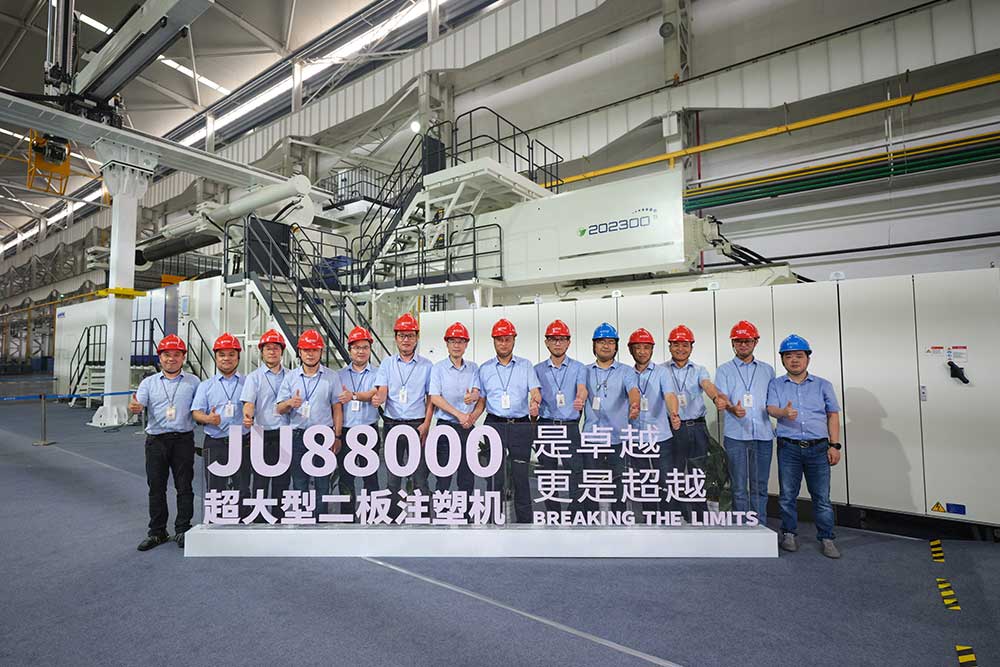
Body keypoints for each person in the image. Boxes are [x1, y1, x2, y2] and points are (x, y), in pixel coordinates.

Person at [767, 334, 843, 559]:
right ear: (782, 360)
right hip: (788, 447)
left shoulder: (823, 385)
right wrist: (783, 412)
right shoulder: (776, 384)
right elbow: (771, 408)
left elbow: (832, 415)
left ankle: (827, 537)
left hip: (819, 448)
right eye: (789, 356)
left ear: (808, 358)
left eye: (799, 356)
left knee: (821, 497)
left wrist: (835, 445)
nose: (794, 360)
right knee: (787, 495)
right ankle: (789, 533)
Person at [129, 334, 200, 551]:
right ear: (160, 357)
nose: (171, 359)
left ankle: (183, 529)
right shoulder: (148, 383)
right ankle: (157, 532)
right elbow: (138, 404)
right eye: (167, 355)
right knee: (156, 488)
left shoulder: (194, 382)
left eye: (176, 355)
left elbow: (201, 407)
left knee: (184, 487)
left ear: (183, 357)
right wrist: (134, 407)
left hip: (183, 441)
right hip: (156, 442)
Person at [477, 318, 541, 523]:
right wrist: (470, 418)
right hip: (494, 424)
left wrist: (535, 401)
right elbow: (481, 400)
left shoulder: (525, 366)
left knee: (521, 477)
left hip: (520, 425)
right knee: (494, 477)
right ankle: (493, 519)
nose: (503, 344)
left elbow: (535, 391)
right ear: (494, 341)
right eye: (499, 340)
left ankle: (525, 523)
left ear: (514, 340)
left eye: (507, 339)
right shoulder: (485, 368)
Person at [374, 313, 434, 517]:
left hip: (418, 425)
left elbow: (430, 398)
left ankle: (423, 518)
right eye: (402, 335)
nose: (406, 340)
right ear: (396, 338)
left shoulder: (427, 366)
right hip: (392, 425)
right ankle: (392, 518)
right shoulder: (387, 364)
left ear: (416, 337)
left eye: (410, 335)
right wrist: (379, 398)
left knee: (420, 477)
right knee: (393, 478)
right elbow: (382, 390)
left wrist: (427, 424)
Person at [665, 324, 728, 520]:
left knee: (698, 471)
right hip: (672, 427)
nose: (680, 349)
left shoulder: (699, 370)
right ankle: (676, 512)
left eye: (685, 345)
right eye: (676, 344)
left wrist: (716, 398)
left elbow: (707, 385)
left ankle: (700, 513)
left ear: (691, 347)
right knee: (674, 471)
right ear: (670, 346)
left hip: (697, 427)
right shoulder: (661, 370)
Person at [715, 320, 776, 521]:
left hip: (763, 436)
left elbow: (772, 400)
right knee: (739, 487)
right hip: (736, 436)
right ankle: (742, 527)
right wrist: (732, 408)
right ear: (733, 343)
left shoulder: (767, 370)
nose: (743, 345)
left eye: (747, 341)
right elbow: (721, 397)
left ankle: (761, 526)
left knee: (760, 486)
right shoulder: (724, 370)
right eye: (738, 341)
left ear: (755, 342)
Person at [276, 329, 339, 517]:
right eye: (306, 350)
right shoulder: (291, 377)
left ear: (321, 352)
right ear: (300, 352)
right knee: (299, 481)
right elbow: (279, 408)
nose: (310, 354)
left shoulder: (331, 377)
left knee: (323, 482)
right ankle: (302, 519)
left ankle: (320, 520)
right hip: (298, 436)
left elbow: (337, 408)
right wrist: (290, 403)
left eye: (314, 350)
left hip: (323, 436)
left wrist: (337, 435)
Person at [581, 323, 640, 514]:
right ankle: (590, 523)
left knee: (619, 487)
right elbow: (580, 393)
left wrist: (635, 405)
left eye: (610, 342)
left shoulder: (626, 371)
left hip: (618, 439)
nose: (606, 346)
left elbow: (633, 390)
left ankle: (619, 523)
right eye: (601, 342)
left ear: (616, 346)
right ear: (594, 345)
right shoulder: (584, 371)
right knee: (590, 487)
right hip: (591, 438)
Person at [192, 333, 250, 525]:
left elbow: (255, 407)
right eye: (222, 354)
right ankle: (216, 524)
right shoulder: (206, 386)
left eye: (231, 354)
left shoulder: (248, 383)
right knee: (215, 486)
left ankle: (243, 522)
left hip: (242, 442)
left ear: (238, 357)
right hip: (215, 442)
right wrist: (207, 418)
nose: (227, 358)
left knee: (243, 486)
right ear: (216, 357)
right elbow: (196, 412)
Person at [625, 328, 680, 517]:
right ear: (630, 349)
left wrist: (674, 413)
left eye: (646, 347)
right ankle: (651, 520)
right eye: (638, 348)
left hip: (660, 436)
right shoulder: (626, 373)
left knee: (665, 481)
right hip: (635, 437)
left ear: (652, 349)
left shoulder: (662, 372)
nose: (642, 352)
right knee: (644, 482)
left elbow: (670, 395)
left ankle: (668, 520)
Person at [534, 320, 587, 513]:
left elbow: (582, 389)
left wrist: (580, 399)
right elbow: (534, 393)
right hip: (546, 425)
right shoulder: (537, 369)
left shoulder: (579, 368)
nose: (558, 343)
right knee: (547, 472)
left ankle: (575, 513)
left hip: (569, 426)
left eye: (562, 339)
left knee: (575, 470)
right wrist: (533, 404)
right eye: (553, 339)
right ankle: (553, 513)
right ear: (546, 342)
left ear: (568, 342)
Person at [428, 322, 484, 498]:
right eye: (453, 341)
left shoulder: (473, 368)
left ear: (466, 344)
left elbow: (477, 393)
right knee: (443, 474)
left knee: (467, 475)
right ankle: (442, 510)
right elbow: (434, 397)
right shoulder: (438, 368)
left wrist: (473, 400)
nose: (456, 345)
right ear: (447, 344)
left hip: (467, 427)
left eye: (461, 341)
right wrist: (459, 414)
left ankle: (465, 509)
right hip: (446, 427)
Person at [332, 326, 381, 520]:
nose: (361, 351)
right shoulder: (339, 375)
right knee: (346, 476)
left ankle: (373, 514)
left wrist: (353, 395)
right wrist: (336, 434)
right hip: (346, 431)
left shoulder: (378, 373)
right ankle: (347, 515)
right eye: (357, 347)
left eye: (365, 347)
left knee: (371, 476)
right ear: (350, 349)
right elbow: (335, 405)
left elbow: (374, 393)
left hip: (369, 431)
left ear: (370, 349)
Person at [241, 329, 290, 520]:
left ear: (281, 352)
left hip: (285, 433)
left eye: (276, 348)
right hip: (260, 433)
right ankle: (258, 517)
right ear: (261, 352)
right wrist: (248, 417)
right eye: (268, 348)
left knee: (282, 480)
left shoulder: (291, 375)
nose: (272, 352)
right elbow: (249, 403)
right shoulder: (254, 377)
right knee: (260, 480)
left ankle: (279, 517)